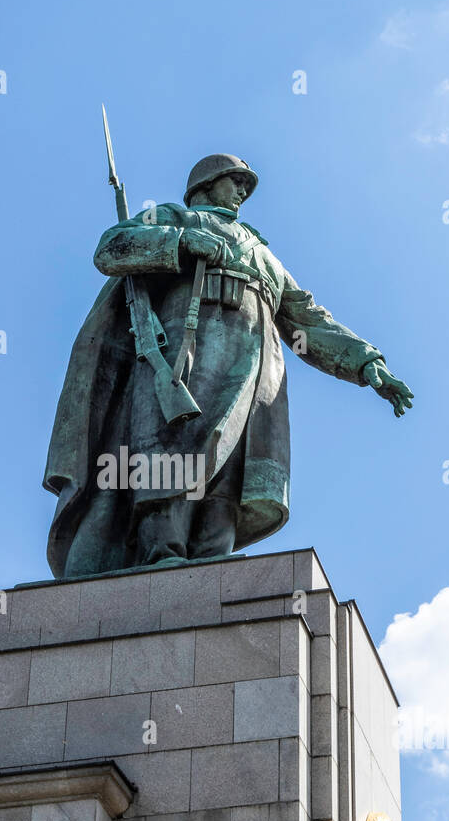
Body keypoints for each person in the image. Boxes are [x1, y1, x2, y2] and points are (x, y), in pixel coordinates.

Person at [44, 153, 413, 578]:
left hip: (255, 364)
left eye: (245, 184)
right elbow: (111, 248)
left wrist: (366, 362)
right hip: (184, 348)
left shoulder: (262, 253)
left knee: (231, 463)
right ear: (205, 184)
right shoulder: (174, 216)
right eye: (235, 181)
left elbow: (308, 319)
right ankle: (162, 552)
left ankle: (211, 556)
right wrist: (179, 243)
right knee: (171, 446)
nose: (242, 191)